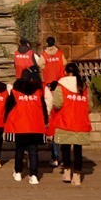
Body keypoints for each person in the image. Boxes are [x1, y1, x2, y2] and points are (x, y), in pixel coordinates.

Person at [5, 66, 48, 184]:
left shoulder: (15, 92)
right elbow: (44, 109)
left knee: (19, 149)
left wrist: (5, 121)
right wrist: (46, 122)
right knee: (33, 150)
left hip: (20, 125)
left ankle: (18, 172)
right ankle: (33, 175)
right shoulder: (38, 92)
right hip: (35, 125)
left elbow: (7, 107)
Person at [50, 61, 91, 185]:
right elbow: (90, 105)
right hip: (80, 122)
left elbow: (57, 103)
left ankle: (67, 172)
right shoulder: (84, 86)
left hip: (65, 121)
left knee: (65, 148)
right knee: (78, 150)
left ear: (66, 72)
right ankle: (77, 176)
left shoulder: (61, 85)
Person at [41, 36, 66, 168]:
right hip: (59, 85)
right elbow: (65, 64)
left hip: (48, 85)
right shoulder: (60, 54)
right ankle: (56, 156)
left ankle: (53, 154)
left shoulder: (44, 55)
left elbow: (39, 65)